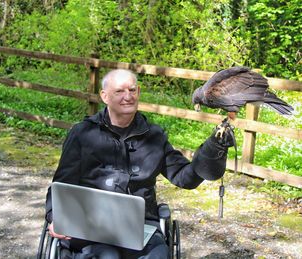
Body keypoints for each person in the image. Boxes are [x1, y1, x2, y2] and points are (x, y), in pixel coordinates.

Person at [45, 69, 233, 258]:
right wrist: (55, 217)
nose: (128, 97)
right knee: (107, 256)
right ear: (104, 96)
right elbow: (61, 183)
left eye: (132, 90)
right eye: (119, 91)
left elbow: (184, 177)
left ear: (139, 92)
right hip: (91, 224)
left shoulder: (154, 136)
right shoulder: (82, 134)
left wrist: (212, 151)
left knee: (159, 255)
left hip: (141, 225)